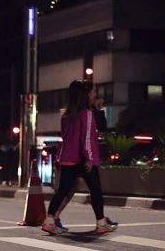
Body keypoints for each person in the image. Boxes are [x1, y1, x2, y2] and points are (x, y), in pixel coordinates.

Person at [42, 79, 117, 235]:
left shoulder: (66, 114)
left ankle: (49, 220)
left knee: (62, 190)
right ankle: (101, 223)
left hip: (67, 157)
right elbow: (87, 138)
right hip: (83, 159)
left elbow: (66, 136)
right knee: (96, 190)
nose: (95, 94)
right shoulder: (87, 114)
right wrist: (89, 158)